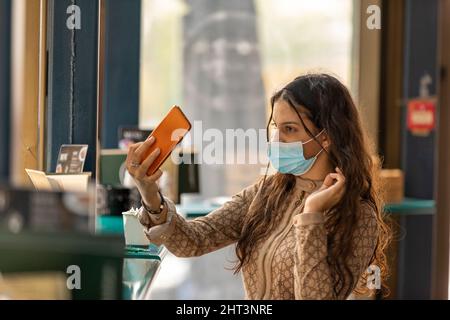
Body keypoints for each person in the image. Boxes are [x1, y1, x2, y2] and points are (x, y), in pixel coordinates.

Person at [127, 73, 391, 300]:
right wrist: (150, 194)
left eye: (290, 129)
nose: (276, 139)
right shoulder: (268, 193)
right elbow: (193, 241)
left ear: (327, 137)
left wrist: (312, 215)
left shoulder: (358, 215)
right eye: (276, 127)